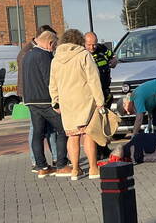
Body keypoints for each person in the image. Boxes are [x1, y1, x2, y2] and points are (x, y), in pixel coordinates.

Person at [49, 28, 106, 181]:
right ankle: (93, 168)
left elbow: (52, 84)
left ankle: (75, 169)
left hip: (67, 103)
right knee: (88, 134)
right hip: (85, 100)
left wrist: (55, 102)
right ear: (79, 41)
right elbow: (93, 80)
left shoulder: (55, 59)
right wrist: (100, 102)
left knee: (72, 136)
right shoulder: (84, 55)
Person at [20, 30, 70, 176]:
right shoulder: (45, 56)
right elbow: (50, 80)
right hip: (46, 100)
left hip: (30, 100)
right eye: (54, 46)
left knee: (38, 133)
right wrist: (57, 100)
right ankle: (61, 164)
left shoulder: (27, 55)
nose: (53, 49)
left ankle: (42, 167)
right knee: (62, 130)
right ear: (50, 43)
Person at [17, 24, 56, 170]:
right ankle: (48, 160)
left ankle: (41, 163)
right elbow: (46, 77)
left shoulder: (27, 52)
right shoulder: (33, 52)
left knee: (39, 130)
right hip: (39, 96)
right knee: (42, 129)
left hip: (31, 96)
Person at [85, 32, 118, 105]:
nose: (92, 47)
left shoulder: (102, 48)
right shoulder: (82, 53)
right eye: (89, 45)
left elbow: (114, 57)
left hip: (105, 89)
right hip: (91, 93)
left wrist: (114, 61)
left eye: (94, 44)